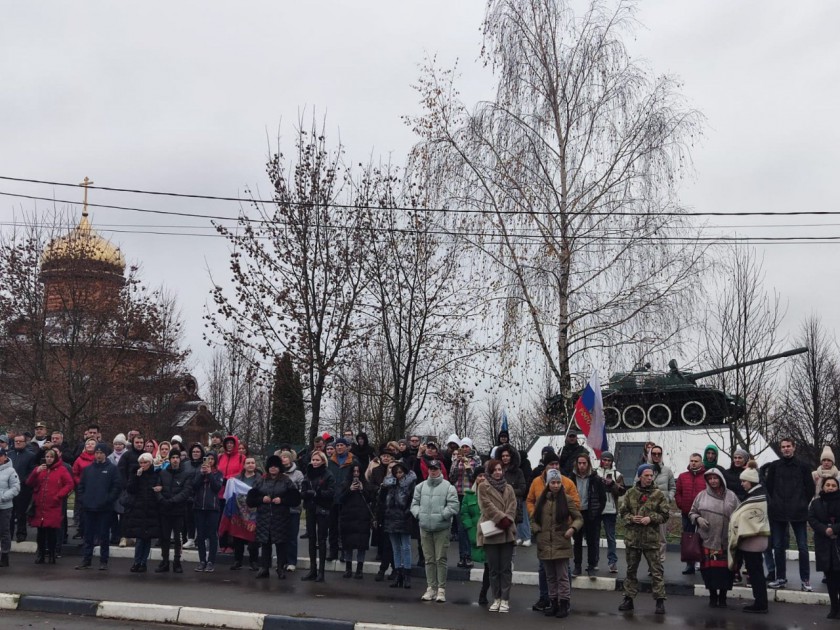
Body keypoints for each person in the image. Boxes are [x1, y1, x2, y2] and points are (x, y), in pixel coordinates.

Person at [526, 451, 581, 612]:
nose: (555, 485)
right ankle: (552, 601)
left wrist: (571, 528)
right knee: (549, 575)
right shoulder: (540, 495)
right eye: (553, 483)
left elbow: (577, 514)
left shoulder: (568, 491)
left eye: (558, 482)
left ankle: (564, 603)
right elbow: (532, 511)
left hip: (561, 539)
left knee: (563, 575)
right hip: (545, 541)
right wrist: (537, 529)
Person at [618, 464, 670, 615]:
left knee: (656, 572)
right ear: (640, 476)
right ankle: (628, 599)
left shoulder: (658, 494)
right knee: (631, 571)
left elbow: (665, 515)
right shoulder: (630, 493)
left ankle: (660, 601)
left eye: (651, 475)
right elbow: (623, 513)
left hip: (651, 540)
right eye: (646, 475)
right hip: (633, 539)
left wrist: (651, 518)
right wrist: (632, 518)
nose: (649, 478)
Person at [764, 438, 815, 591]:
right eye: (783, 447)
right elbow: (769, 487)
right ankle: (780, 578)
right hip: (778, 512)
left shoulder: (804, 466)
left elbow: (810, 489)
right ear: (780, 449)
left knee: (803, 547)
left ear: (794, 448)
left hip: (798, 512)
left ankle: (805, 579)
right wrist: (775, 503)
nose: (786, 449)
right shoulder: (775, 466)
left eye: (788, 446)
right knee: (778, 547)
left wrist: (801, 503)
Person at [689, 468, 739, 608]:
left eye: (715, 478)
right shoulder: (701, 495)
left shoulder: (731, 496)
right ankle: (712, 596)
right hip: (707, 540)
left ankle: (723, 597)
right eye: (710, 478)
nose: (713, 481)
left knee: (725, 572)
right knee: (710, 572)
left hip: (726, 540)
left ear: (721, 479)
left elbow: (739, 515)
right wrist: (698, 519)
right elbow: (692, 512)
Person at [411, 458, 459, 603]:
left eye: (435, 469)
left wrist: (442, 516)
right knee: (429, 559)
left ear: (440, 470)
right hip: (425, 527)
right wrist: (419, 515)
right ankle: (431, 587)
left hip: (441, 528)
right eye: (431, 469)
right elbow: (414, 504)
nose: (433, 471)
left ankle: (441, 589)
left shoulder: (448, 487)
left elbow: (454, 506)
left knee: (440, 559)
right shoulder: (420, 487)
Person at [248, 455, 301, 579]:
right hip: (264, 517)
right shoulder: (261, 480)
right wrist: (261, 499)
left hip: (281, 517)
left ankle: (280, 568)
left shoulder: (286, 481)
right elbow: (250, 499)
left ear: (279, 468)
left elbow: (295, 499)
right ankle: (264, 568)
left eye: (275, 466)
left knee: (281, 544)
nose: (273, 468)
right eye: (271, 466)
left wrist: (282, 500)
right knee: (265, 544)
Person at [728, 460, 770, 614]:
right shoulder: (756, 494)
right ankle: (760, 601)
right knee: (755, 571)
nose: (742, 484)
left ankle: (761, 604)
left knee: (756, 572)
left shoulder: (757, 497)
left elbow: (748, 518)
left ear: (751, 481)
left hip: (753, 540)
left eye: (744, 481)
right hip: (754, 540)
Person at [477, 458, 517, 613]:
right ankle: (496, 598)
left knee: (506, 568)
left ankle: (505, 599)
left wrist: (508, 519)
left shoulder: (509, 488)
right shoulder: (483, 487)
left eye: (500, 469)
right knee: (493, 568)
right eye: (495, 470)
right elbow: (486, 506)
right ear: (490, 472)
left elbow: (513, 506)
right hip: (491, 530)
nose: (498, 473)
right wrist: (501, 518)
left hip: (507, 531)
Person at [75, 443, 121, 571]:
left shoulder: (112, 469)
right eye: (97, 453)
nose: (98, 455)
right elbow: (81, 486)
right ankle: (86, 560)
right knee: (88, 536)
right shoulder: (88, 469)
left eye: (101, 453)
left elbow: (116, 487)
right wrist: (83, 499)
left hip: (104, 509)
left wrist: (108, 499)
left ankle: (103, 561)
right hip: (89, 507)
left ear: (105, 454)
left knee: (104, 536)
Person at [26, 448, 73, 564]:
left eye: (51, 457)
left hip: (53, 505)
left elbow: (69, 484)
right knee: (40, 533)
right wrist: (35, 472)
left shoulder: (61, 469)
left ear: (55, 458)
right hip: (40, 505)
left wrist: (59, 496)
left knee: (52, 532)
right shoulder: (40, 469)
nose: (49, 459)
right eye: (47, 457)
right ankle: (41, 554)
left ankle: (52, 554)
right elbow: (29, 483)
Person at [808, 475, 840, 619]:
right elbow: (812, 519)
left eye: (833, 485)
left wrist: (834, 529)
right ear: (823, 487)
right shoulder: (816, 503)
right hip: (823, 544)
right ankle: (834, 608)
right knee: (830, 578)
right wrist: (824, 530)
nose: (830, 488)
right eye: (828, 485)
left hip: (838, 543)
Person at [122, 453, 160, 573]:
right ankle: (136, 561)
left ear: (150, 463)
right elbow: (130, 489)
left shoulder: (155, 474)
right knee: (139, 538)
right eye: (141, 463)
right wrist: (136, 477)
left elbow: (158, 488)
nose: (143, 465)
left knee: (147, 538)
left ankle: (144, 562)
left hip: (151, 509)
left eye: (146, 463)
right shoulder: (136, 473)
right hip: (138, 509)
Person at [381, 460, 416, 589]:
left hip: (404, 517)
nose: (398, 475)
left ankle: (407, 575)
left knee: (406, 547)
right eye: (396, 472)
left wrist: (407, 512)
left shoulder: (410, 483)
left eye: (400, 472)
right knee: (395, 548)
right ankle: (398, 574)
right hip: (391, 517)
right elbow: (384, 499)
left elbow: (413, 499)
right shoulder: (390, 484)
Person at [300, 450, 335, 582]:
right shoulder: (307, 474)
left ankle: (321, 571)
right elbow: (302, 491)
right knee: (311, 539)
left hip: (323, 509)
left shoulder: (328, 474)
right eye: (313, 460)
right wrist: (306, 493)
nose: (314, 462)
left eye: (317, 460)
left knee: (321, 540)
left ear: (323, 461)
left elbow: (331, 493)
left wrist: (317, 494)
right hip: (310, 508)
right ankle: (312, 570)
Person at [156, 449, 192, 573]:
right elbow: (157, 489)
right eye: (173, 458)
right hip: (164, 511)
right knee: (164, 537)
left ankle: (177, 561)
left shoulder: (186, 474)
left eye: (177, 457)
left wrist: (172, 501)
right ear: (170, 459)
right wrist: (162, 500)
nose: (175, 460)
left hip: (179, 511)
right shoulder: (162, 473)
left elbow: (186, 492)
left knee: (178, 538)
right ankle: (164, 561)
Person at [571, 453, 606, 577]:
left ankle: (591, 566)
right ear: (576, 463)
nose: (581, 466)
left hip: (591, 514)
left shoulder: (596, 479)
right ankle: (577, 566)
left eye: (584, 463)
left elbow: (603, 498)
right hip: (576, 513)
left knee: (592, 541)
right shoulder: (571, 478)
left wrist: (597, 512)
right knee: (577, 541)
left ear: (588, 464)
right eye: (579, 463)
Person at [450, 437, 481, 569]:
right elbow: (452, 477)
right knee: (461, 528)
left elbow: (476, 478)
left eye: (466, 447)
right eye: (462, 447)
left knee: (470, 526)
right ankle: (462, 556)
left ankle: (470, 555)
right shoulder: (456, 460)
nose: (464, 449)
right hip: (458, 495)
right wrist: (457, 463)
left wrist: (468, 466)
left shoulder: (476, 460)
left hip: (471, 495)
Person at [225, 455, 260, 571]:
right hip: (239, 511)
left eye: (252, 463)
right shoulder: (237, 479)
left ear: (255, 465)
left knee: (252, 538)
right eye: (248, 463)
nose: (250, 465)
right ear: (244, 465)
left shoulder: (260, 479)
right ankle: (238, 560)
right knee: (238, 536)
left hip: (254, 513)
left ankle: (253, 561)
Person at [367, 444, 397, 581]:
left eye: (388, 456)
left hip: (393, 509)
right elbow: (370, 485)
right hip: (379, 505)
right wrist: (378, 488)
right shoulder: (376, 470)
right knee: (380, 535)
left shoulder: (397, 472)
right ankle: (382, 561)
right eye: (384, 456)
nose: (386, 458)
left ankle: (393, 568)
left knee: (392, 542)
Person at [340, 461, 374, 580]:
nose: (356, 474)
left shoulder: (366, 484)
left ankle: (359, 569)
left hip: (362, 518)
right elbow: (340, 499)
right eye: (354, 471)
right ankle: (348, 568)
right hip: (348, 517)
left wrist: (362, 489)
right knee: (348, 544)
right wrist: (349, 490)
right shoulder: (345, 483)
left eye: (358, 471)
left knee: (361, 545)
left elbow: (370, 498)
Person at [460, 471, 489, 604]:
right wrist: (471, 529)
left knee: (491, 565)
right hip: (475, 533)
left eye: (484, 475)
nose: (482, 478)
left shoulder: (492, 493)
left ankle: (492, 593)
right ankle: (483, 593)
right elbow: (464, 514)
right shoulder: (469, 495)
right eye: (479, 476)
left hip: (491, 532)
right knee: (486, 564)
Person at [676, 452, 707, 574]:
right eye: (691, 461)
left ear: (701, 463)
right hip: (687, 512)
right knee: (689, 538)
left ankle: (705, 564)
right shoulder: (682, 476)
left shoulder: (706, 476)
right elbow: (678, 492)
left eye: (696, 461)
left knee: (704, 538)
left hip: (703, 513)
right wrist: (681, 505)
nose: (693, 463)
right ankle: (690, 565)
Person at [192, 451, 223, 572]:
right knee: (200, 536)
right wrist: (201, 474)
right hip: (199, 507)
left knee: (212, 535)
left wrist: (209, 474)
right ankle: (202, 560)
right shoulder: (199, 472)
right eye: (207, 459)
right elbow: (194, 486)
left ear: (215, 460)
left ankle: (211, 561)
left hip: (213, 508)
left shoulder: (218, 474)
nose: (209, 461)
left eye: (211, 459)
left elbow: (217, 488)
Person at [595, 451, 625, 573]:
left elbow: (622, 491)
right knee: (594, 537)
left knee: (611, 537)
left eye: (609, 460)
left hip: (610, 509)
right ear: (601, 460)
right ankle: (594, 561)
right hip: (597, 508)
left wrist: (612, 484)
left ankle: (612, 562)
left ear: (612, 462)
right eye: (604, 460)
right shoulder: (594, 472)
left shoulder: (617, 474)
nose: (606, 462)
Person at [327, 438, 355, 561]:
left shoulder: (353, 461)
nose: (339, 447)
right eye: (337, 445)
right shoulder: (330, 462)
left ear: (347, 447)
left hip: (346, 498)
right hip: (332, 498)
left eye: (341, 445)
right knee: (332, 527)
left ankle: (345, 552)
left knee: (344, 527)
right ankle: (332, 551)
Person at [497, 444, 528, 547]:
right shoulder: (497, 471)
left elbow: (522, 489)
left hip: (513, 506)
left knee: (511, 537)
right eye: (503, 456)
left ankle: (510, 561)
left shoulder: (518, 472)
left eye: (507, 456)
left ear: (512, 457)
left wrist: (508, 491)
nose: (505, 458)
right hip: (498, 506)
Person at [649, 445, 676, 564]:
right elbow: (636, 485)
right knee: (649, 537)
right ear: (650, 454)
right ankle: (651, 563)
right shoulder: (643, 469)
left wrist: (669, 498)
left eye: (659, 454)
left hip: (662, 509)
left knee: (661, 538)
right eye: (654, 453)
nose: (656, 456)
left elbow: (673, 487)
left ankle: (659, 562)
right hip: (647, 508)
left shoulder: (667, 470)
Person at [9, 434, 36, 543]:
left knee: (21, 513)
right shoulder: (9, 455)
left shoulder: (30, 455)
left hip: (23, 489)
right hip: (9, 489)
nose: (18, 443)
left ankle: (21, 534)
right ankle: (8, 534)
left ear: (25, 443)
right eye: (16, 441)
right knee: (9, 513)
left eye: (20, 441)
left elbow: (32, 471)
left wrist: (24, 480)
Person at [279, 450, 303, 572]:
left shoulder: (298, 474)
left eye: (285, 457)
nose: (283, 459)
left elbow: (301, 490)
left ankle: (292, 561)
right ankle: (282, 561)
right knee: (281, 536)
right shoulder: (277, 473)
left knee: (292, 536)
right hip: (280, 509)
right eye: (281, 457)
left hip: (293, 509)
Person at [0, 446, 21, 567]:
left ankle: (5, 555)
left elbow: (15, 488)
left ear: (4, 457)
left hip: (4, 506)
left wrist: (3, 497)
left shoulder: (11, 471)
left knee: (4, 531)